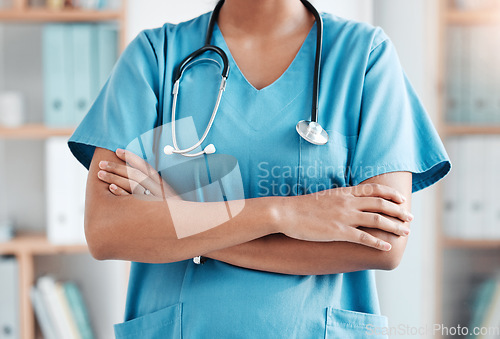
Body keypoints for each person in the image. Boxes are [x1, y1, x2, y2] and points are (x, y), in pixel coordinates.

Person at [68, 0, 451, 337]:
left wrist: (184, 220)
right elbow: (108, 231)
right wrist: (284, 214)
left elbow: (383, 244)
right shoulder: (156, 55)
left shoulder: (364, 55)